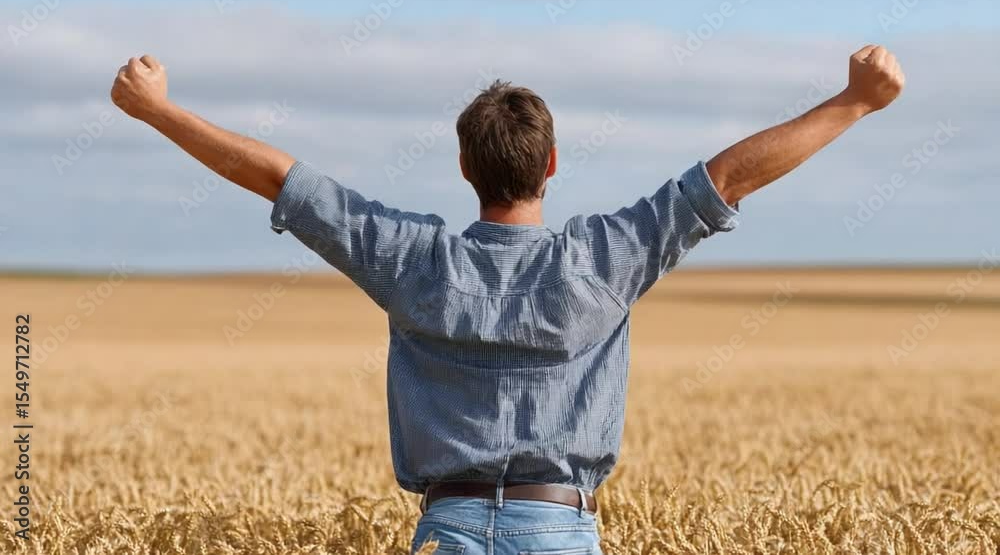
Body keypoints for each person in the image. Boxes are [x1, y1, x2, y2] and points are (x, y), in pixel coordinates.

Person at [110, 45, 904, 554]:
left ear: (465, 167)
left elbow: (282, 180)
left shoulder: (413, 260)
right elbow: (727, 178)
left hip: (447, 529)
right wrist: (855, 101)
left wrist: (158, 109)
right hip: (560, 528)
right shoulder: (605, 258)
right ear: (552, 163)